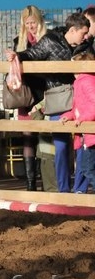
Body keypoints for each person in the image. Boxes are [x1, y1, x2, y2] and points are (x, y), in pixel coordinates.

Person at [6, 12, 91, 193]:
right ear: (73, 30)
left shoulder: (86, 46)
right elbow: (31, 54)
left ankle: (80, 190)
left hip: (82, 99)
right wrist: (17, 56)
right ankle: (63, 189)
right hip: (58, 98)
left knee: (84, 145)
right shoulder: (51, 40)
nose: (86, 37)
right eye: (83, 33)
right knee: (61, 147)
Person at [10, 5, 47, 190]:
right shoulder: (18, 42)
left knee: (45, 137)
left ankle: (45, 180)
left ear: (39, 22)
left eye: (33, 22)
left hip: (45, 94)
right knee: (28, 138)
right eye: (28, 23)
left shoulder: (48, 40)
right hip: (25, 96)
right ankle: (30, 183)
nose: (31, 26)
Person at [60, 52, 95, 193]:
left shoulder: (84, 81)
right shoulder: (83, 81)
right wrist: (69, 115)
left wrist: (82, 118)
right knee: (87, 167)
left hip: (90, 133)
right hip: (87, 133)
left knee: (87, 168)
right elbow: (78, 107)